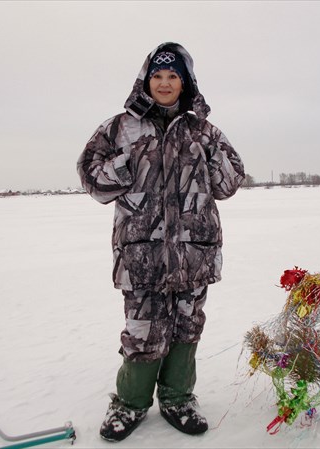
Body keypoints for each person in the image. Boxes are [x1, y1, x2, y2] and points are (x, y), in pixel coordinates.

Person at [77, 42, 245, 442]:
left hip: (194, 251)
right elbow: (91, 176)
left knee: (187, 326)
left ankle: (178, 399)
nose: (165, 83)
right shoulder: (120, 128)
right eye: (157, 75)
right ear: (145, 80)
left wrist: (208, 151)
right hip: (142, 253)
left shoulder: (202, 130)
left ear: (185, 83)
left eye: (173, 76)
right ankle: (130, 403)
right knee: (143, 329)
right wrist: (128, 162)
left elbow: (229, 182)